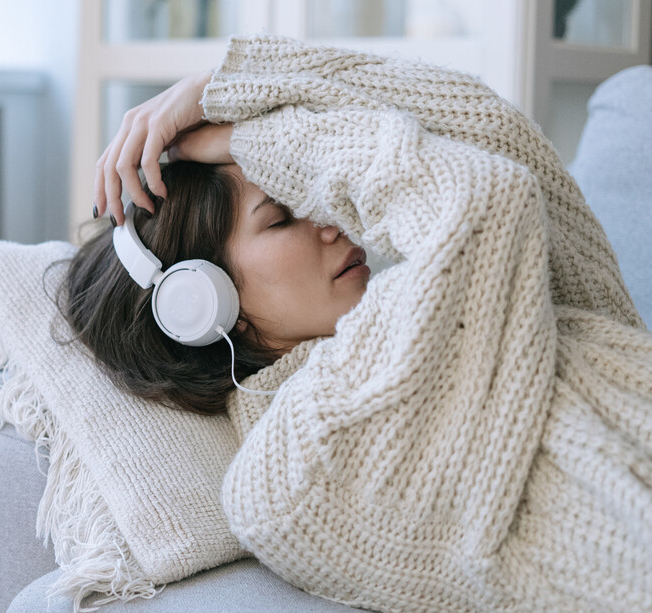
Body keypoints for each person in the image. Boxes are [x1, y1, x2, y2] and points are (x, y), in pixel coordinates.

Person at [64, 36, 652, 611]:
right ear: (206, 301)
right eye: (284, 215)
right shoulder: (292, 470)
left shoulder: (438, 306)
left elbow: (497, 136)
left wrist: (227, 88)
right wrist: (270, 137)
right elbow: (488, 199)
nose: (330, 218)